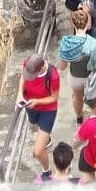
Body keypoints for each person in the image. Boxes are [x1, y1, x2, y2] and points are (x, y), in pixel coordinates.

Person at [58, 9, 96, 124]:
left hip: (74, 77)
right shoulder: (95, 45)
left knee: (77, 97)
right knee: (93, 101)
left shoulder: (66, 43)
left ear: (73, 23)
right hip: (90, 78)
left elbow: (63, 67)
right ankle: (93, 122)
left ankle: (79, 117)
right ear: (87, 24)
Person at [17, 54, 60, 182]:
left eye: (33, 75)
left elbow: (54, 97)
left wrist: (37, 101)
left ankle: (47, 172)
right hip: (31, 106)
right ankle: (46, 139)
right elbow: (23, 78)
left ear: (41, 69)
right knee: (34, 123)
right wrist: (20, 93)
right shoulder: (28, 63)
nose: (30, 77)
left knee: (37, 151)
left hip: (47, 110)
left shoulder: (53, 76)